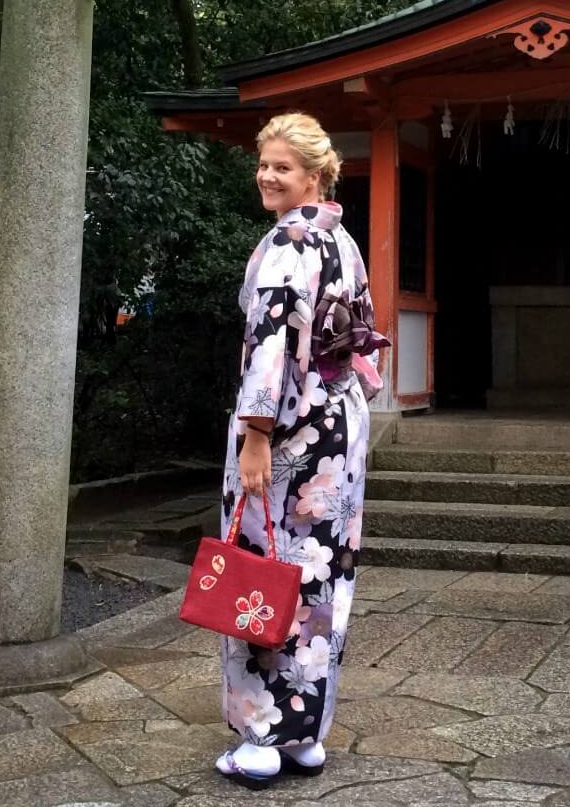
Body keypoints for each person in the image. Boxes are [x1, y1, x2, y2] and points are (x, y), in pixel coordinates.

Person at [216, 111, 387, 790]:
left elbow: (271, 347)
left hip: (286, 431)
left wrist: (257, 434)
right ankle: (305, 733)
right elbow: (363, 336)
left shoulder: (291, 241)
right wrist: (345, 403)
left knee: (263, 566)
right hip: (338, 426)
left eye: (281, 166)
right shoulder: (341, 239)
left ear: (315, 174)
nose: (267, 175)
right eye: (263, 164)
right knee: (320, 576)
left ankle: (262, 735)